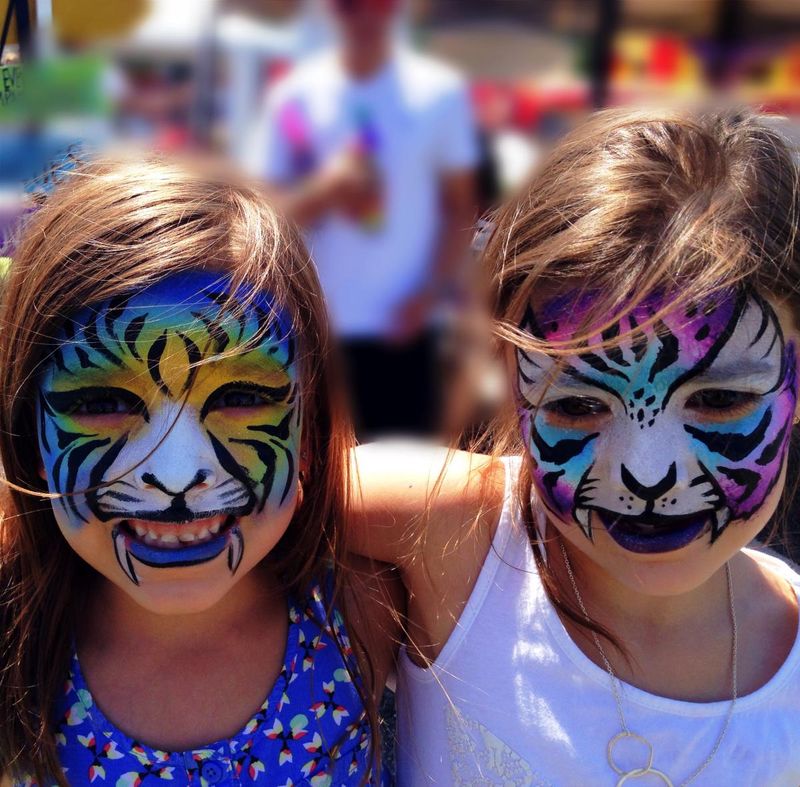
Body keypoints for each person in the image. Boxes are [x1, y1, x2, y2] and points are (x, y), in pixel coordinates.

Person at [351, 108, 800, 784]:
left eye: (717, 399)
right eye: (579, 405)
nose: (647, 472)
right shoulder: (458, 536)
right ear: (509, 383)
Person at [0, 156, 398, 786]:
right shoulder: (13, 644)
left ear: (311, 419)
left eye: (240, 397)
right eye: (102, 403)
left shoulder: (364, 609)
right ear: (25, 431)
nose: (177, 473)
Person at [251, 0, 478, 439]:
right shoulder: (295, 97)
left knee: (405, 474)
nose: (367, 15)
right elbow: (261, 214)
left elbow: (459, 207)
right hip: (317, 327)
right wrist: (327, 190)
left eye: (380, 3)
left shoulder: (439, 93)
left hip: (408, 328)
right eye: (352, 5)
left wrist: (429, 293)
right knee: (326, 477)